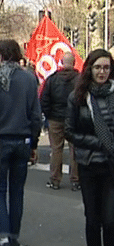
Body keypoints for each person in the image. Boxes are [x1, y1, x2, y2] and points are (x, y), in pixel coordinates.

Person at [64, 49, 114, 246]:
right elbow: (69, 131)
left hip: (112, 165)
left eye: (106, 68)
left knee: (111, 218)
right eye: (98, 68)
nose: (102, 72)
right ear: (89, 70)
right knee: (93, 219)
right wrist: (100, 143)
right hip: (89, 164)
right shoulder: (78, 97)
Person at [0, 39, 42, 246]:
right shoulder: (29, 79)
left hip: (0, 139)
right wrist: (35, 142)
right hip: (22, 139)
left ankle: (3, 237)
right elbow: (36, 115)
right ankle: (14, 235)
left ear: (0, 56)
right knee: (17, 191)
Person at [41, 52, 80, 191]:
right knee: (75, 150)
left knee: (56, 149)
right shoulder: (80, 80)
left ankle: (55, 180)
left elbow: (44, 99)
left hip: (55, 118)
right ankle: (75, 180)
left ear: (62, 63)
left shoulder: (52, 79)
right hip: (74, 119)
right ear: (74, 62)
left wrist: (49, 114)